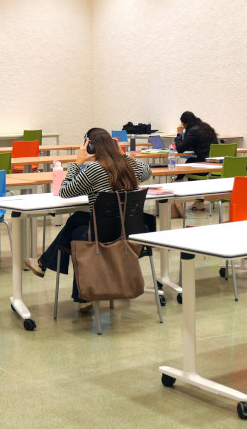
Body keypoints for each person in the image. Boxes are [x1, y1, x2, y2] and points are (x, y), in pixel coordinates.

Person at [23, 127, 152, 312]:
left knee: (77, 234)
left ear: (91, 147)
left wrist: (78, 161)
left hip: (103, 234)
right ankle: (45, 266)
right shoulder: (127, 166)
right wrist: (123, 155)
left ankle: (79, 291)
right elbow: (147, 172)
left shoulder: (95, 169)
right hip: (128, 232)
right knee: (78, 218)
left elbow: (65, 191)